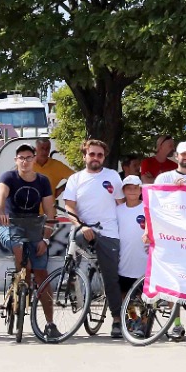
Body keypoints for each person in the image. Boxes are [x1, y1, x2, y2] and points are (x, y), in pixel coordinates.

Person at [60, 139, 126, 338]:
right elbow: (70, 207)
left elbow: (122, 204)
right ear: (84, 156)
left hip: (109, 231)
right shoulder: (75, 179)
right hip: (84, 228)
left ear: (103, 158)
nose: (96, 158)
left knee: (111, 278)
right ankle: (70, 279)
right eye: (92, 154)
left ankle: (116, 319)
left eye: (99, 155)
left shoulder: (112, 176)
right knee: (75, 237)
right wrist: (81, 225)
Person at [0, 143, 60, 340]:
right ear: (16, 160)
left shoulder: (42, 181)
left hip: (34, 228)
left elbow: (50, 210)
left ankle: (50, 323)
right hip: (11, 226)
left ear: (34, 159)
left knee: (42, 275)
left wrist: (46, 239)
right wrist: (0, 212)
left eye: (28, 157)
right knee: (18, 246)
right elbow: (0, 197)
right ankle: (21, 276)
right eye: (21, 158)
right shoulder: (9, 177)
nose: (25, 161)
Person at [115, 176, 148, 298]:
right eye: (129, 188)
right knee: (125, 295)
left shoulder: (148, 208)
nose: (132, 191)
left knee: (143, 297)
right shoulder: (117, 210)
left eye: (136, 188)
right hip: (124, 261)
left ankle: (145, 318)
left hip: (144, 261)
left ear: (141, 191)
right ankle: (131, 317)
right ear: (123, 190)